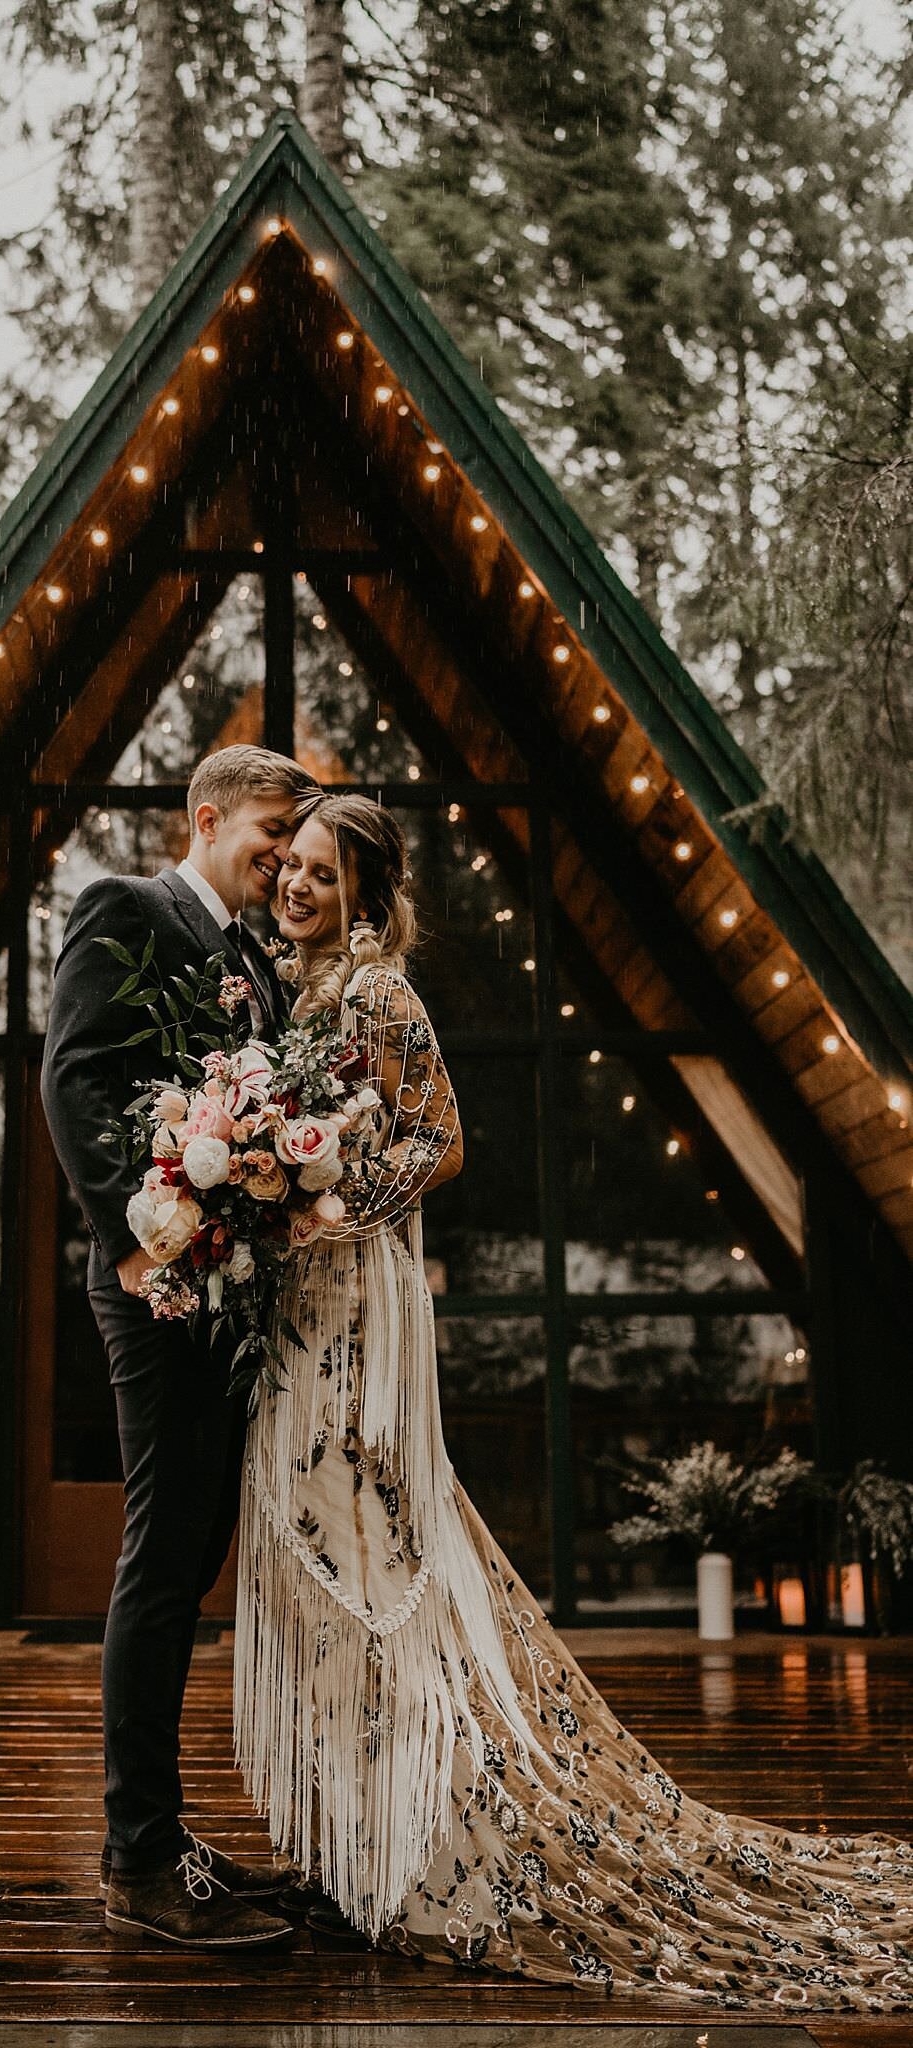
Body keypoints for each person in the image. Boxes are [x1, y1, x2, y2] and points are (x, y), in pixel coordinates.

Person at [235, 790, 913, 2012]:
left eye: (325, 876)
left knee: (376, 1565)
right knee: (324, 1565)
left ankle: (403, 1849)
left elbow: (440, 1138)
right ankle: (347, 1841)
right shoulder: (293, 990)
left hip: (357, 1305)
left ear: (368, 896)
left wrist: (333, 1207)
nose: (296, 887)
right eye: (292, 866)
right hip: (298, 1302)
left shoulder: (380, 992)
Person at [40, 741, 319, 1950]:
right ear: (207, 816)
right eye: (271, 828)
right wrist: (144, 1239)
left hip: (229, 1290)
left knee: (195, 1545)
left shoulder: (258, 956)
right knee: (162, 1556)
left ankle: (167, 1834)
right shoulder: (128, 908)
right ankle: (136, 1857)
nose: (283, 854)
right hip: (153, 1284)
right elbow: (76, 1081)